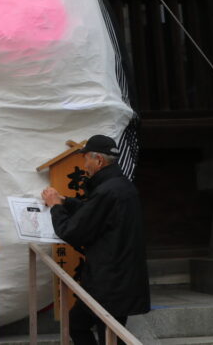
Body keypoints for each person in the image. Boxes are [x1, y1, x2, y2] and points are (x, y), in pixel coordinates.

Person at [41, 134, 150, 345]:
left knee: (100, 334)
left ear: (98, 160)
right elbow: (95, 213)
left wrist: (55, 206)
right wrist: (66, 201)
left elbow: (72, 231)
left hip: (109, 281)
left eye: (86, 159)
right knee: (83, 326)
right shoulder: (122, 186)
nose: (85, 165)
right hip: (120, 278)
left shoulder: (107, 191)